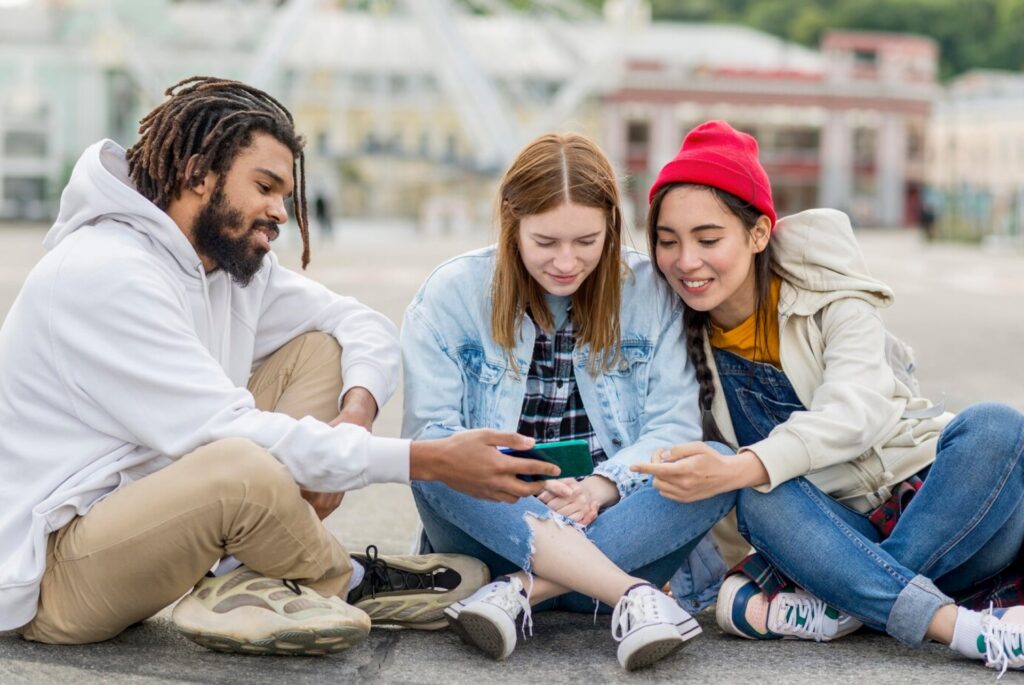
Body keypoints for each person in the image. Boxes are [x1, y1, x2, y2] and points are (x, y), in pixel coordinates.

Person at [0, 76, 562, 656]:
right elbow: (230, 433)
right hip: (56, 574)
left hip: (149, 517)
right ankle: (346, 580)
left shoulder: (223, 264)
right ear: (197, 174)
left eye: (286, 196)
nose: (280, 213)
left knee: (323, 349)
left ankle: (251, 578)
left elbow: (362, 325)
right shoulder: (107, 273)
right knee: (240, 466)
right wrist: (430, 460)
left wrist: (355, 416)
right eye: (265, 187)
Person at [638, 120, 1024, 674]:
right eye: (667, 241)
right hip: (831, 530)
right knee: (759, 495)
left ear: (758, 234)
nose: (686, 261)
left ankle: (847, 608)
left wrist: (748, 464)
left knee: (997, 425)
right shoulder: (672, 339)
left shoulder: (832, 296)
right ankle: (959, 628)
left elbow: (857, 407)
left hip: (943, 510)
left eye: (707, 239)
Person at [401, 132, 736, 671]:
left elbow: (673, 429)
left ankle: (519, 594)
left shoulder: (649, 291)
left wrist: (603, 486)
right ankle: (629, 596)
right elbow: (433, 437)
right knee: (432, 462)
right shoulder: (451, 295)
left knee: (718, 465)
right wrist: (524, 486)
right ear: (512, 223)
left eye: (586, 241)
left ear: (611, 223)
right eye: (545, 242)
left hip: (616, 522)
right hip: (499, 531)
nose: (566, 261)